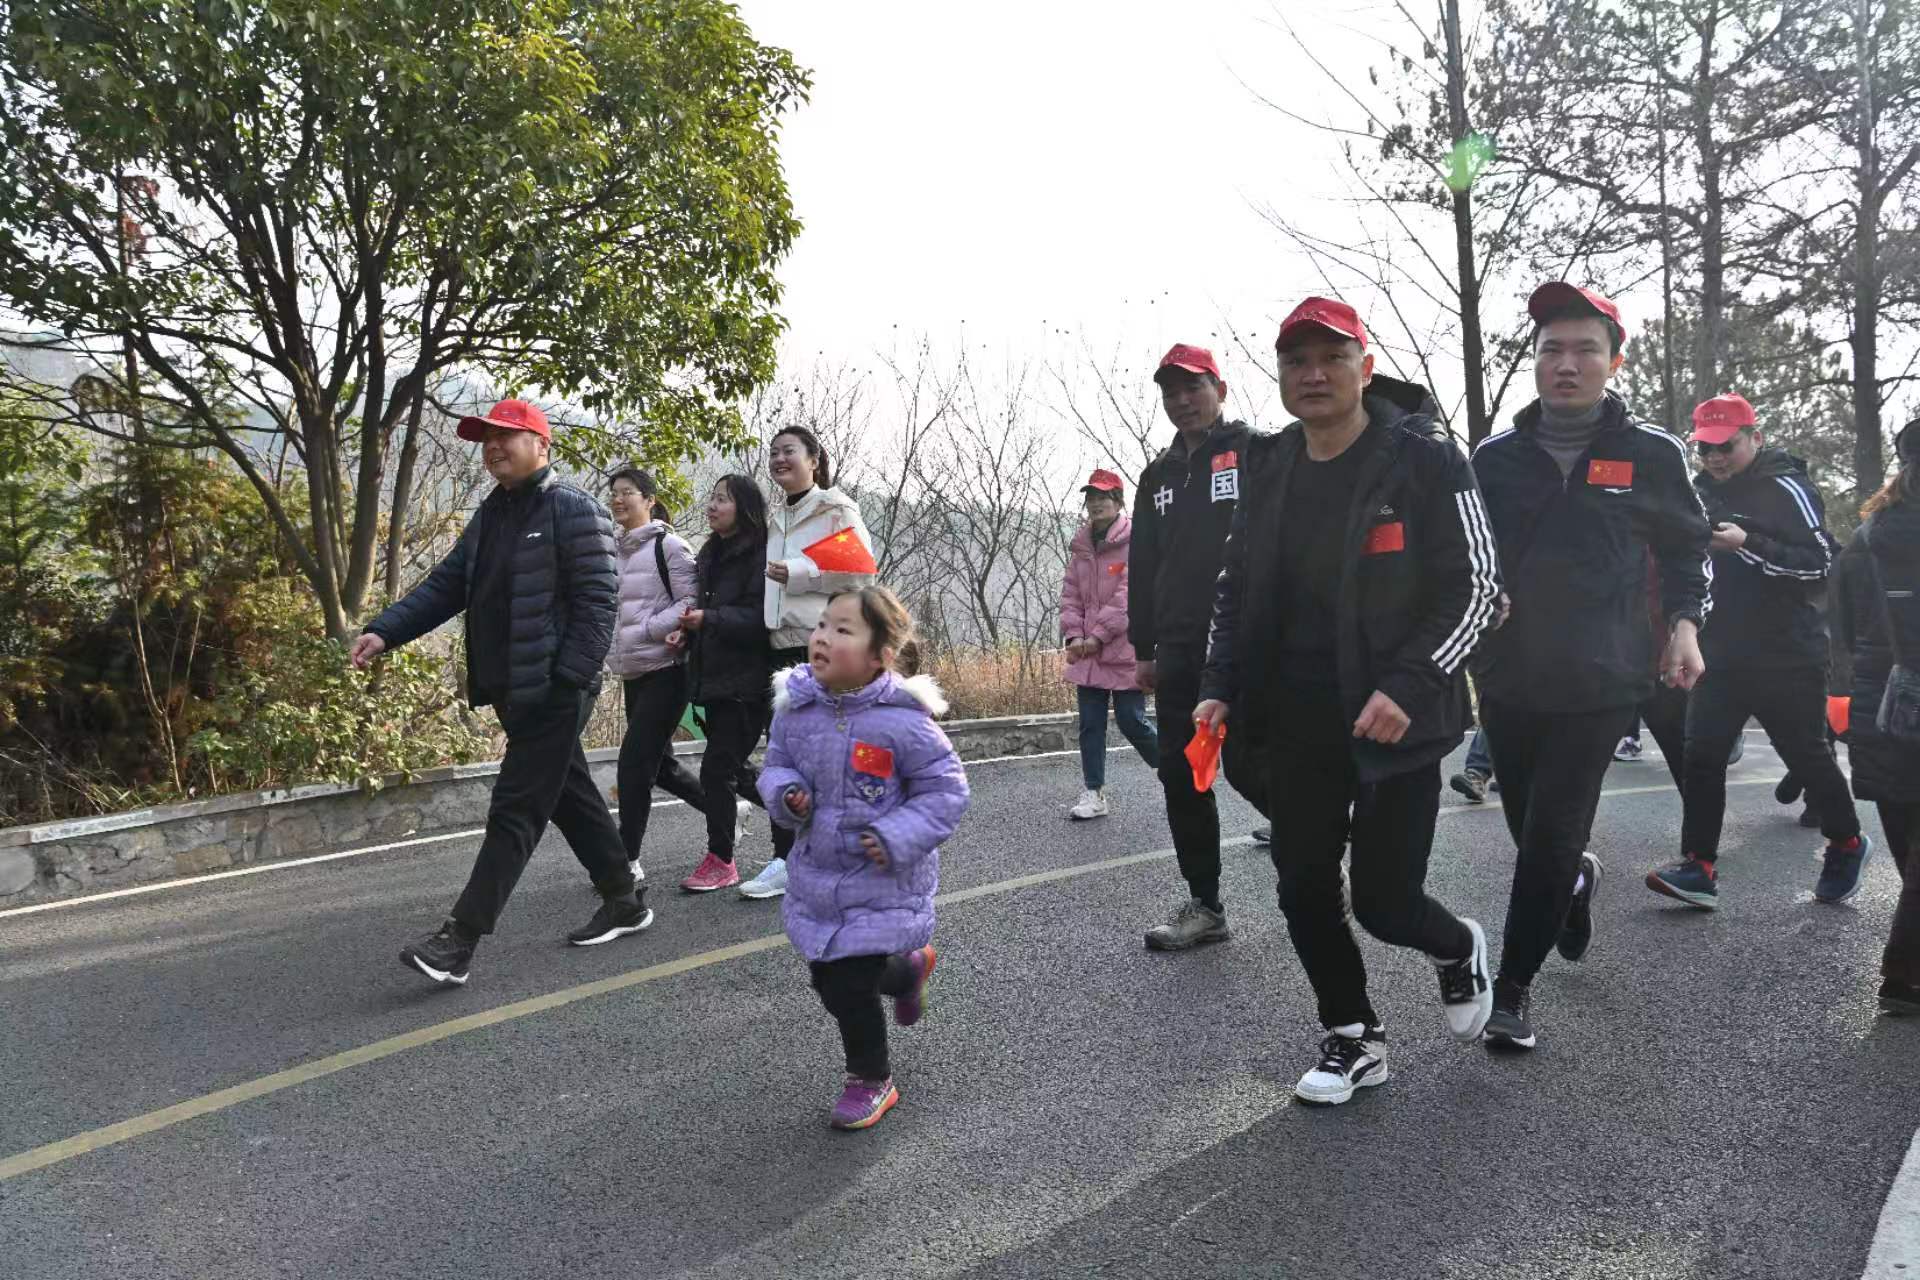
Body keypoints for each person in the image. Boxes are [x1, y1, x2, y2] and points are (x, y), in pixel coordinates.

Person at [1197, 296, 1500, 1103]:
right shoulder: (1269, 467)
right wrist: (1218, 687)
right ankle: (1353, 1035)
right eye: (1296, 361)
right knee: (1302, 885)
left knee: (1385, 901)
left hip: (1395, 718)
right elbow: (1236, 589)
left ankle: (1455, 945)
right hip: (1292, 718)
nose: (1314, 374)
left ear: (1366, 368)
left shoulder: (1426, 459)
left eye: (1332, 358)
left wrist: (1410, 684)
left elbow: (1476, 587)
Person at [1469, 283, 1712, 1049]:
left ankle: (1512, 987)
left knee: (1550, 829)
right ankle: (1573, 882)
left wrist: (1684, 627)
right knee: (1525, 824)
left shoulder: (1652, 454)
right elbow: (1470, 558)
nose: (1565, 365)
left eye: (1583, 350)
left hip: (1605, 675)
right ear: (1534, 361)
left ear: (1613, 360)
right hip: (1509, 674)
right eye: (1551, 351)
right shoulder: (1495, 459)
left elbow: (1687, 550)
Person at [352, 399, 648, 986]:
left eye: (507, 435)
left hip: (555, 691)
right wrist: (385, 630)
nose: (493, 446)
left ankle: (458, 941)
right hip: (514, 689)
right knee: (567, 792)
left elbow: (598, 604)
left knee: (515, 808)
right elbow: (445, 587)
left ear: (542, 445)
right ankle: (624, 898)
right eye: (486, 438)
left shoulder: (573, 509)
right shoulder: (492, 515)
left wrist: (569, 681)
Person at [1645, 393, 1868, 910]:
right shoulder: (1694, 492)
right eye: (1704, 448)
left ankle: (1847, 842)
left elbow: (1823, 565)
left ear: (1755, 438)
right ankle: (1699, 866)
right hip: (1718, 652)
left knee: (1807, 756)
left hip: (1787, 651)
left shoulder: (1786, 485)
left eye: (1726, 446)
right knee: (1699, 754)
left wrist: (1748, 543)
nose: (1715, 458)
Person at [760, 587, 970, 1129]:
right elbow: (776, 765)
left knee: (849, 984)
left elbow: (944, 792)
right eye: (822, 625)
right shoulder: (796, 708)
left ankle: (871, 1080)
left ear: (881, 655)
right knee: (828, 979)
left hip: (882, 881)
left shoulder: (903, 721)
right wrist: (786, 795)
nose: (823, 637)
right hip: (818, 875)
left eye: (843, 630)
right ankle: (906, 972)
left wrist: (898, 834)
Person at [1129, 343, 1258, 950]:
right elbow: (1143, 561)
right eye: (1171, 393)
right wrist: (1144, 644)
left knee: (1263, 768)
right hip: (1181, 647)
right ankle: (1205, 904)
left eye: (1194, 388)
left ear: (1220, 389)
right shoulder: (1156, 476)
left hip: (1253, 642)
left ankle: (1314, 873)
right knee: (1184, 776)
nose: (1183, 401)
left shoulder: (1256, 451)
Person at [745, 425, 878, 900]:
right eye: (774, 453)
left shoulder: (832, 508)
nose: (780, 459)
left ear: (814, 460)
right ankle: (789, 857)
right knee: (784, 756)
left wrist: (799, 574)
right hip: (777, 649)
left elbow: (862, 570)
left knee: (826, 756)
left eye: (790, 452)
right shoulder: (777, 516)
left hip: (817, 649)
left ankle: (839, 851)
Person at [1831, 419, 1920, 1012]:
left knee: (1910, 844)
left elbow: (1836, 629)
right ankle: (1905, 975)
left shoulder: (1866, 539)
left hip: (1881, 711)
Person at [673, 475, 793, 892]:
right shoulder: (712, 552)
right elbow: (711, 610)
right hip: (714, 675)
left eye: (721, 499)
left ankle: (722, 860)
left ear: (743, 506)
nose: (711, 506)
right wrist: (689, 631)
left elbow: (761, 617)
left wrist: (710, 620)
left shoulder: (760, 552)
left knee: (717, 769)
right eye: (711, 497)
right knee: (737, 771)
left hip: (747, 677)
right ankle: (801, 819)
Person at [605, 467, 708, 884]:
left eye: (627, 492)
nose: (618, 499)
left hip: (668, 668)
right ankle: (726, 809)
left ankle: (625, 860)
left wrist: (649, 628)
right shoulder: (614, 551)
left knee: (633, 763)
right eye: (613, 493)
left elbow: (691, 598)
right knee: (659, 766)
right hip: (634, 670)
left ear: (648, 499)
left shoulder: (670, 546)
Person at [1060, 468, 1160, 819]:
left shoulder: (1136, 541)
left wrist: (1097, 636)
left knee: (1132, 721)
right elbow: (1070, 595)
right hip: (1086, 650)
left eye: (1104, 497)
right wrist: (1074, 636)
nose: (1096, 503)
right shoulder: (1081, 547)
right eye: (1091, 497)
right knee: (1090, 724)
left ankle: (1174, 770)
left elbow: (1129, 597)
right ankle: (1094, 793)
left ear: (1118, 501)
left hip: (1122, 647)